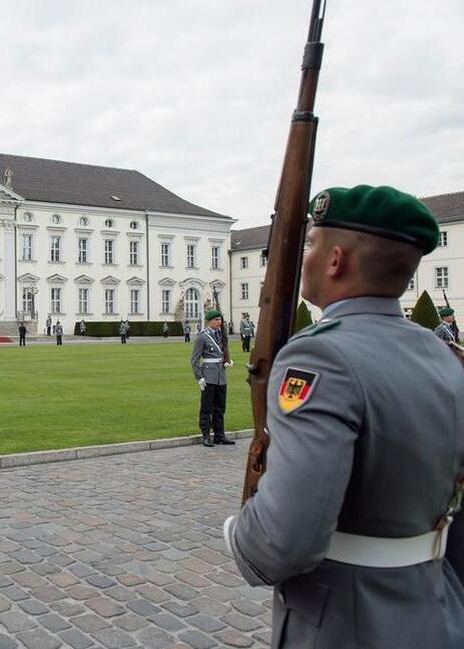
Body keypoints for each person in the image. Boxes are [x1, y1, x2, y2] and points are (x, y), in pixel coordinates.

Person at [224, 185, 464, 648]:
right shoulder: (442, 355)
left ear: (335, 261)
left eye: (311, 243)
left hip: (349, 619)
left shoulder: (320, 357)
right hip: (436, 606)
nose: (304, 255)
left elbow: (286, 538)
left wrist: (239, 535)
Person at [191, 309, 234, 447]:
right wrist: (199, 378)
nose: (218, 322)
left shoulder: (221, 335)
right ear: (209, 321)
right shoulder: (202, 337)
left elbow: (223, 352)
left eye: (220, 320)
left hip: (221, 375)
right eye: (216, 320)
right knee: (206, 407)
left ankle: (219, 435)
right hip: (208, 376)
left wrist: (227, 360)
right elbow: (194, 360)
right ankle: (206, 435)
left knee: (220, 407)